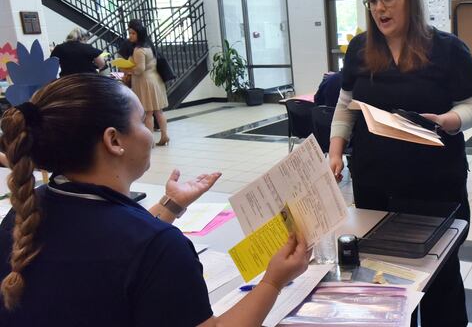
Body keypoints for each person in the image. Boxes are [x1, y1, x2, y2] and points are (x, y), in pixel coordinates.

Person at [0, 73, 310, 325]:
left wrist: (170, 206)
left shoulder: (22, 215)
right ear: (114, 140)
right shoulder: (160, 246)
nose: (151, 132)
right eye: (142, 121)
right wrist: (273, 281)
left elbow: (108, 247)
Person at [328, 0, 472, 326]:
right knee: (385, 277)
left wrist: (450, 120)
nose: (380, 9)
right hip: (375, 185)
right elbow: (344, 105)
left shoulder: (448, 49)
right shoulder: (360, 49)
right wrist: (335, 151)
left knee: (439, 280)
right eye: (372, 1)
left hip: (434, 186)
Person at [124, 19, 170, 146]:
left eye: (133, 33)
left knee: (148, 113)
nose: (130, 36)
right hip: (155, 80)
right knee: (158, 111)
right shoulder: (149, 45)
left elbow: (139, 69)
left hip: (145, 82)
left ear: (139, 33)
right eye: (129, 33)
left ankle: (150, 142)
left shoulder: (139, 50)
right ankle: (164, 135)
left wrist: (127, 70)